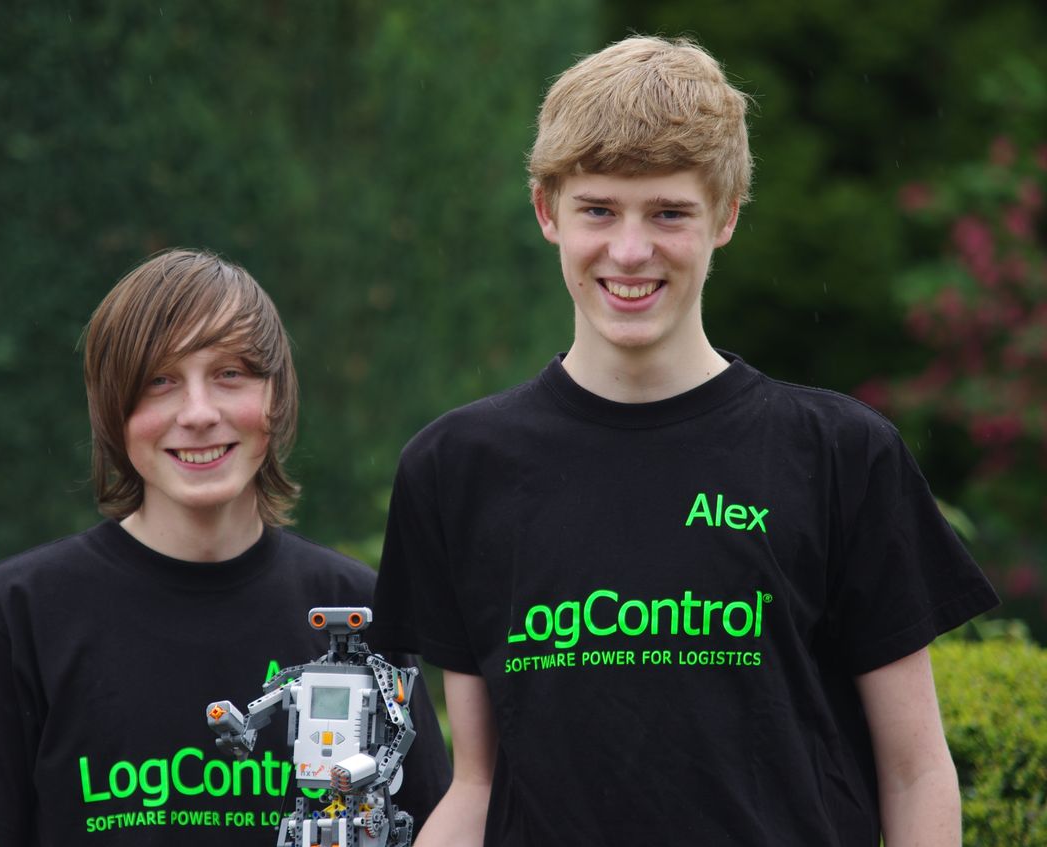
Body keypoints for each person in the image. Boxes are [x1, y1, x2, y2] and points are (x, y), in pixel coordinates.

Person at [371, 35, 999, 846]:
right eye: (598, 209)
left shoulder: (840, 455)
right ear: (546, 211)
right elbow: (478, 784)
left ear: (726, 215)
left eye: (669, 212)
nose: (631, 251)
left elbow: (914, 772)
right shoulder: (456, 468)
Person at [0, 248, 450, 846]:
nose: (198, 414)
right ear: (113, 411)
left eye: (230, 373)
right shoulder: (20, 613)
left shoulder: (355, 612)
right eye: (160, 381)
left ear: (276, 398)